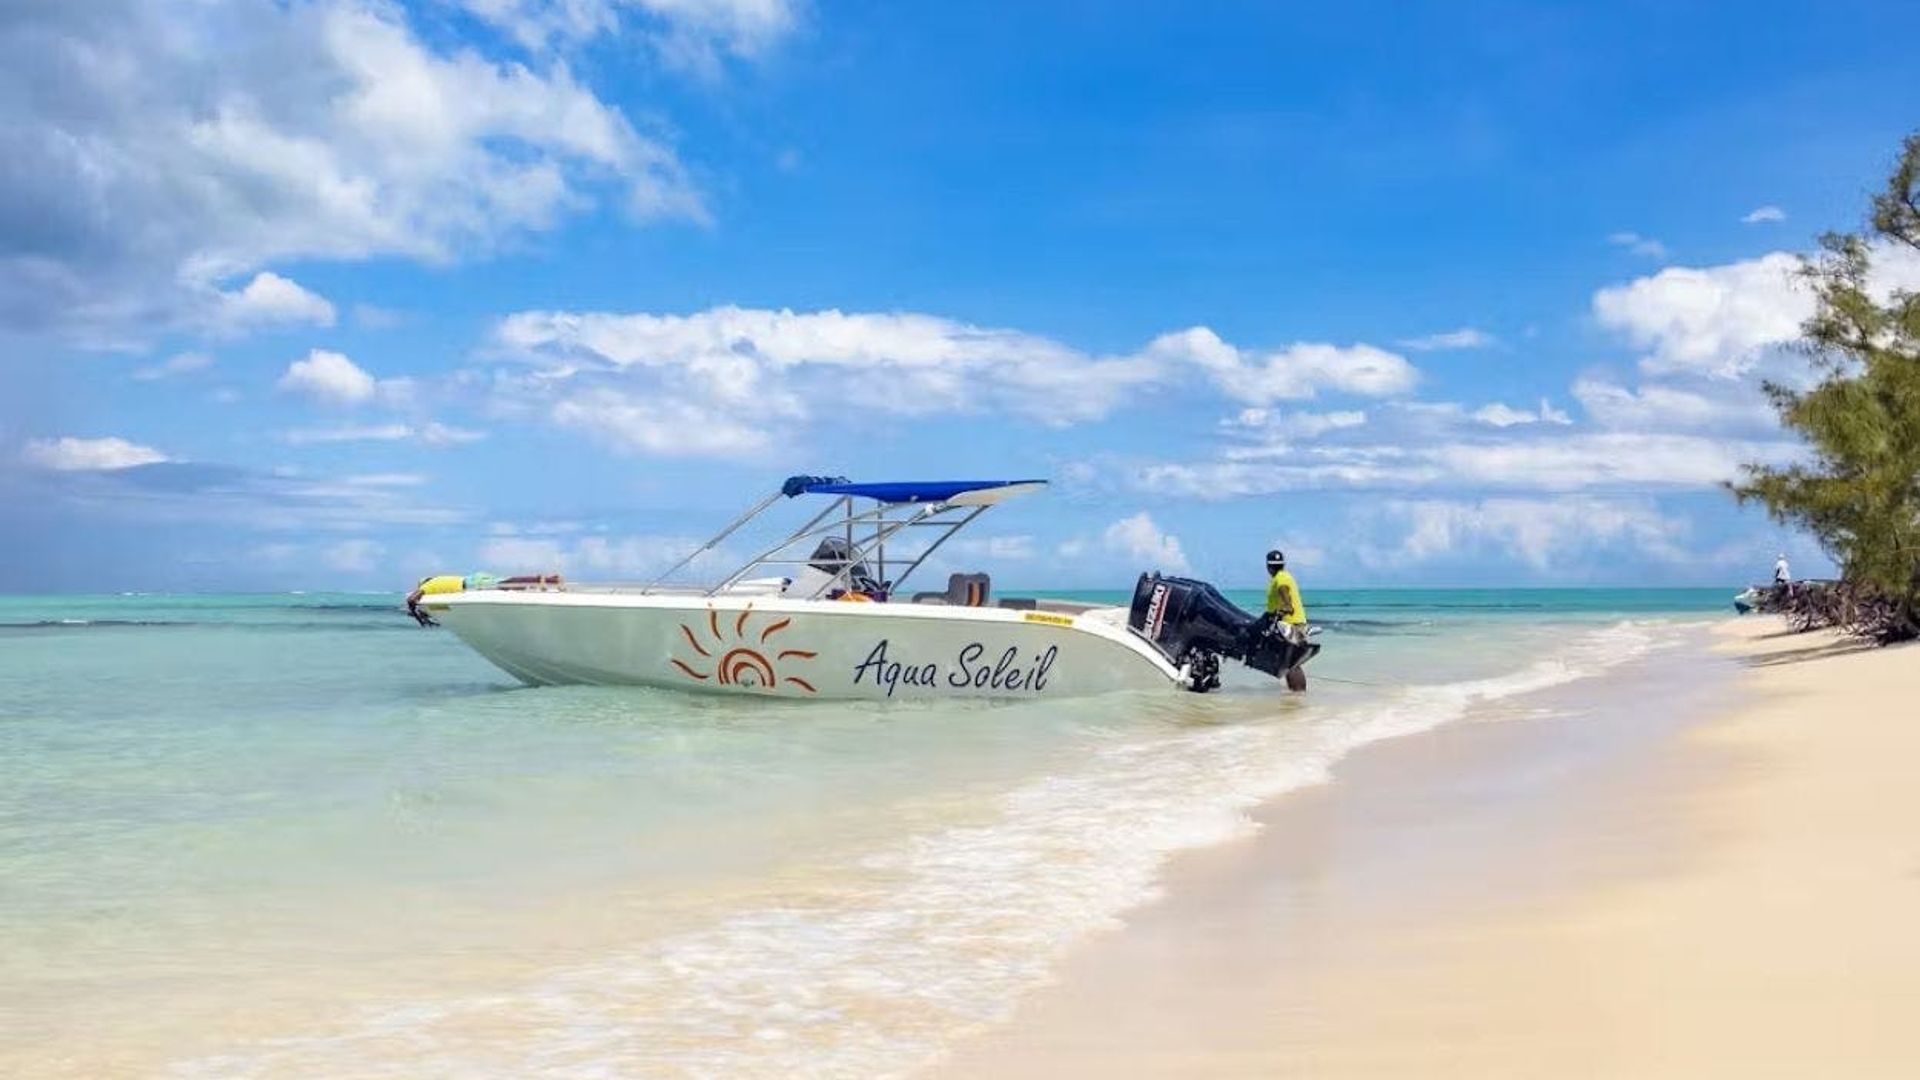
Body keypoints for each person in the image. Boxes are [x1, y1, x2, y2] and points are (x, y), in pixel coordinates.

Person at [1265, 549, 1310, 692]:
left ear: (1268, 567)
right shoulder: (1284, 576)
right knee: (1291, 662)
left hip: (1290, 626)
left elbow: (1288, 605)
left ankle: (1298, 695)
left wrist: (1278, 613)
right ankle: (1297, 695)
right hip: (1296, 623)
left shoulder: (1280, 579)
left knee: (1291, 663)